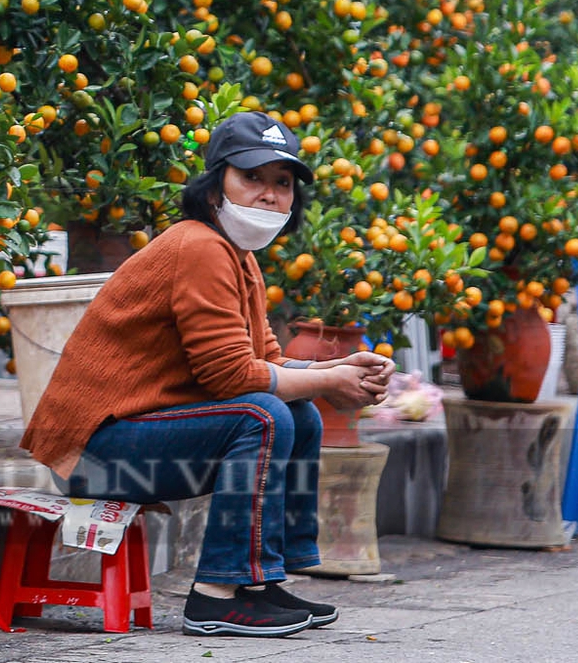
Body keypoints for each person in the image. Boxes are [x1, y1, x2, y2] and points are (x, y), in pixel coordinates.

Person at [22, 111, 391, 637]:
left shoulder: (239, 258)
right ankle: (216, 595)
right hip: (91, 452)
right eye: (252, 177)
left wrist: (339, 368)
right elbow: (231, 376)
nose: (268, 195)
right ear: (216, 185)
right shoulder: (198, 246)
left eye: (282, 184)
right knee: (262, 416)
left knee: (299, 414)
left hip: (139, 436)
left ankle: (259, 584)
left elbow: (268, 359)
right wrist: (331, 380)